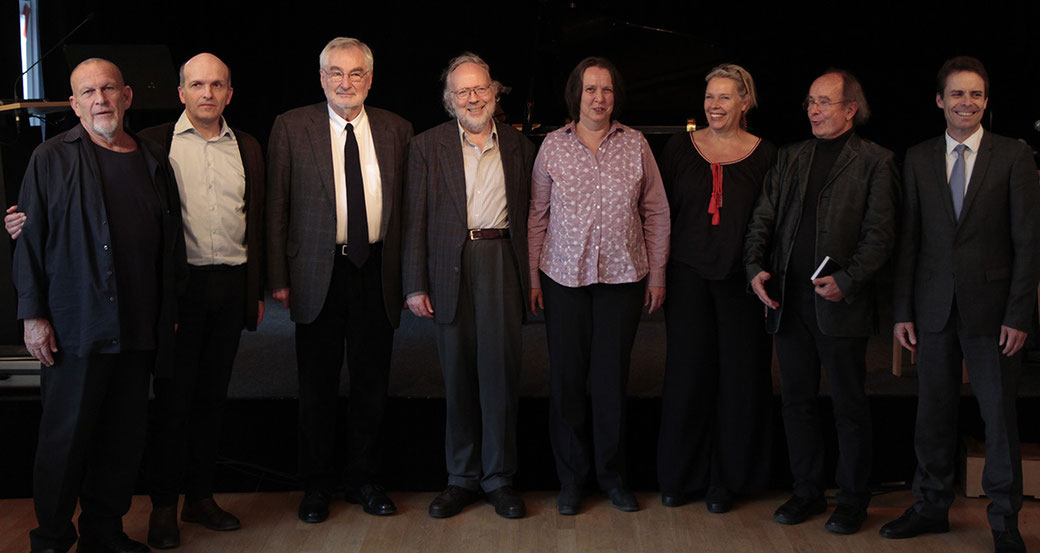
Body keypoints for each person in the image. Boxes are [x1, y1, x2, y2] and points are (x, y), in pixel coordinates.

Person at [13, 58, 183, 553]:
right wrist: (33, 316)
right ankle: (50, 539)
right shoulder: (50, 158)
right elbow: (29, 242)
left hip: (138, 327)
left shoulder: (152, 157)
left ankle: (105, 534)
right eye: (87, 92)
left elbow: (169, 244)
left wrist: (168, 308)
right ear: (73, 103)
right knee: (65, 443)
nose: (100, 99)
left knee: (122, 440)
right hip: (75, 326)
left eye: (108, 88)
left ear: (127, 95)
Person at [883, 56, 1040, 553]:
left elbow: (1028, 243)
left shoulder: (1014, 156)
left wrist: (1019, 314)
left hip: (994, 315)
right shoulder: (918, 157)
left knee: (999, 418)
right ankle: (930, 508)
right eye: (957, 94)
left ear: (986, 101)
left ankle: (1004, 521)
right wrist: (902, 310)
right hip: (931, 310)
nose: (966, 103)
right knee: (932, 414)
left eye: (975, 94)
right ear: (939, 101)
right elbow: (909, 241)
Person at [743, 69, 898, 534]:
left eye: (825, 102)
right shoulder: (791, 157)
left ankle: (852, 500)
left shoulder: (876, 161)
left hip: (840, 305)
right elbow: (762, 218)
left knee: (849, 408)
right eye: (811, 101)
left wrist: (847, 280)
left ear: (851, 109)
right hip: (788, 303)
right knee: (797, 403)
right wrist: (754, 267)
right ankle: (806, 491)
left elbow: (881, 235)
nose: (814, 110)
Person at [266, 37, 412, 523]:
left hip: (375, 271)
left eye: (355, 74)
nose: (345, 83)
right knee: (317, 385)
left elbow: (408, 212)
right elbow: (276, 207)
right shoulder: (291, 126)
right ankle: (316, 485)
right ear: (322, 77)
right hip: (315, 272)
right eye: (335, 73)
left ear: (369, 79)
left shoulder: (397, 129)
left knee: (372, 382)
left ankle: (365, 479)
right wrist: (278, 275)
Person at [528, 56, 670, 515]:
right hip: (563, 280)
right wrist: (533, 277)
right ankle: (571, 481)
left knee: (611, 384)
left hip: (622, 281)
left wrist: (659, 274)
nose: (599, 98)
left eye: (606, 90)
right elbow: (537, 217)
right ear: (576, 94)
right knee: (567, 384)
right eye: (590, 89)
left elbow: (657, 212)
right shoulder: (552, 145)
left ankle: (612, 478)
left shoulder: (636, 145)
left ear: (615, 96)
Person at [402, 53, 535, 519]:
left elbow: (531, 219)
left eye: (481, 89)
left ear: (495, 93)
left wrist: (532, 278)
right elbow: (413, 220)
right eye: (463, 91)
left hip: (501, 260)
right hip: (448, 267)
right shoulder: (425, 147)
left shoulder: (520, 147)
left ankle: (499, 478)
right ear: (448, 100)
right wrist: (415, 283)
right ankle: (461, 478)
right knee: (457, 375)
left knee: (500, 374)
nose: (473, 98)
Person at [656, 63, 775, 514]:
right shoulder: (677, 148)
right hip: (687, 278)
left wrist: (757, 267)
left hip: (741, 281)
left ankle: (728, 481)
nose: (715, 105)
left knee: (739, 380)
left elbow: (770, 221)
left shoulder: (767, 154)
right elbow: (661, 214)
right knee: (687, 377)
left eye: (725, 97)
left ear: (745, 102)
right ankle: (679, 477)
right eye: (710, 97)